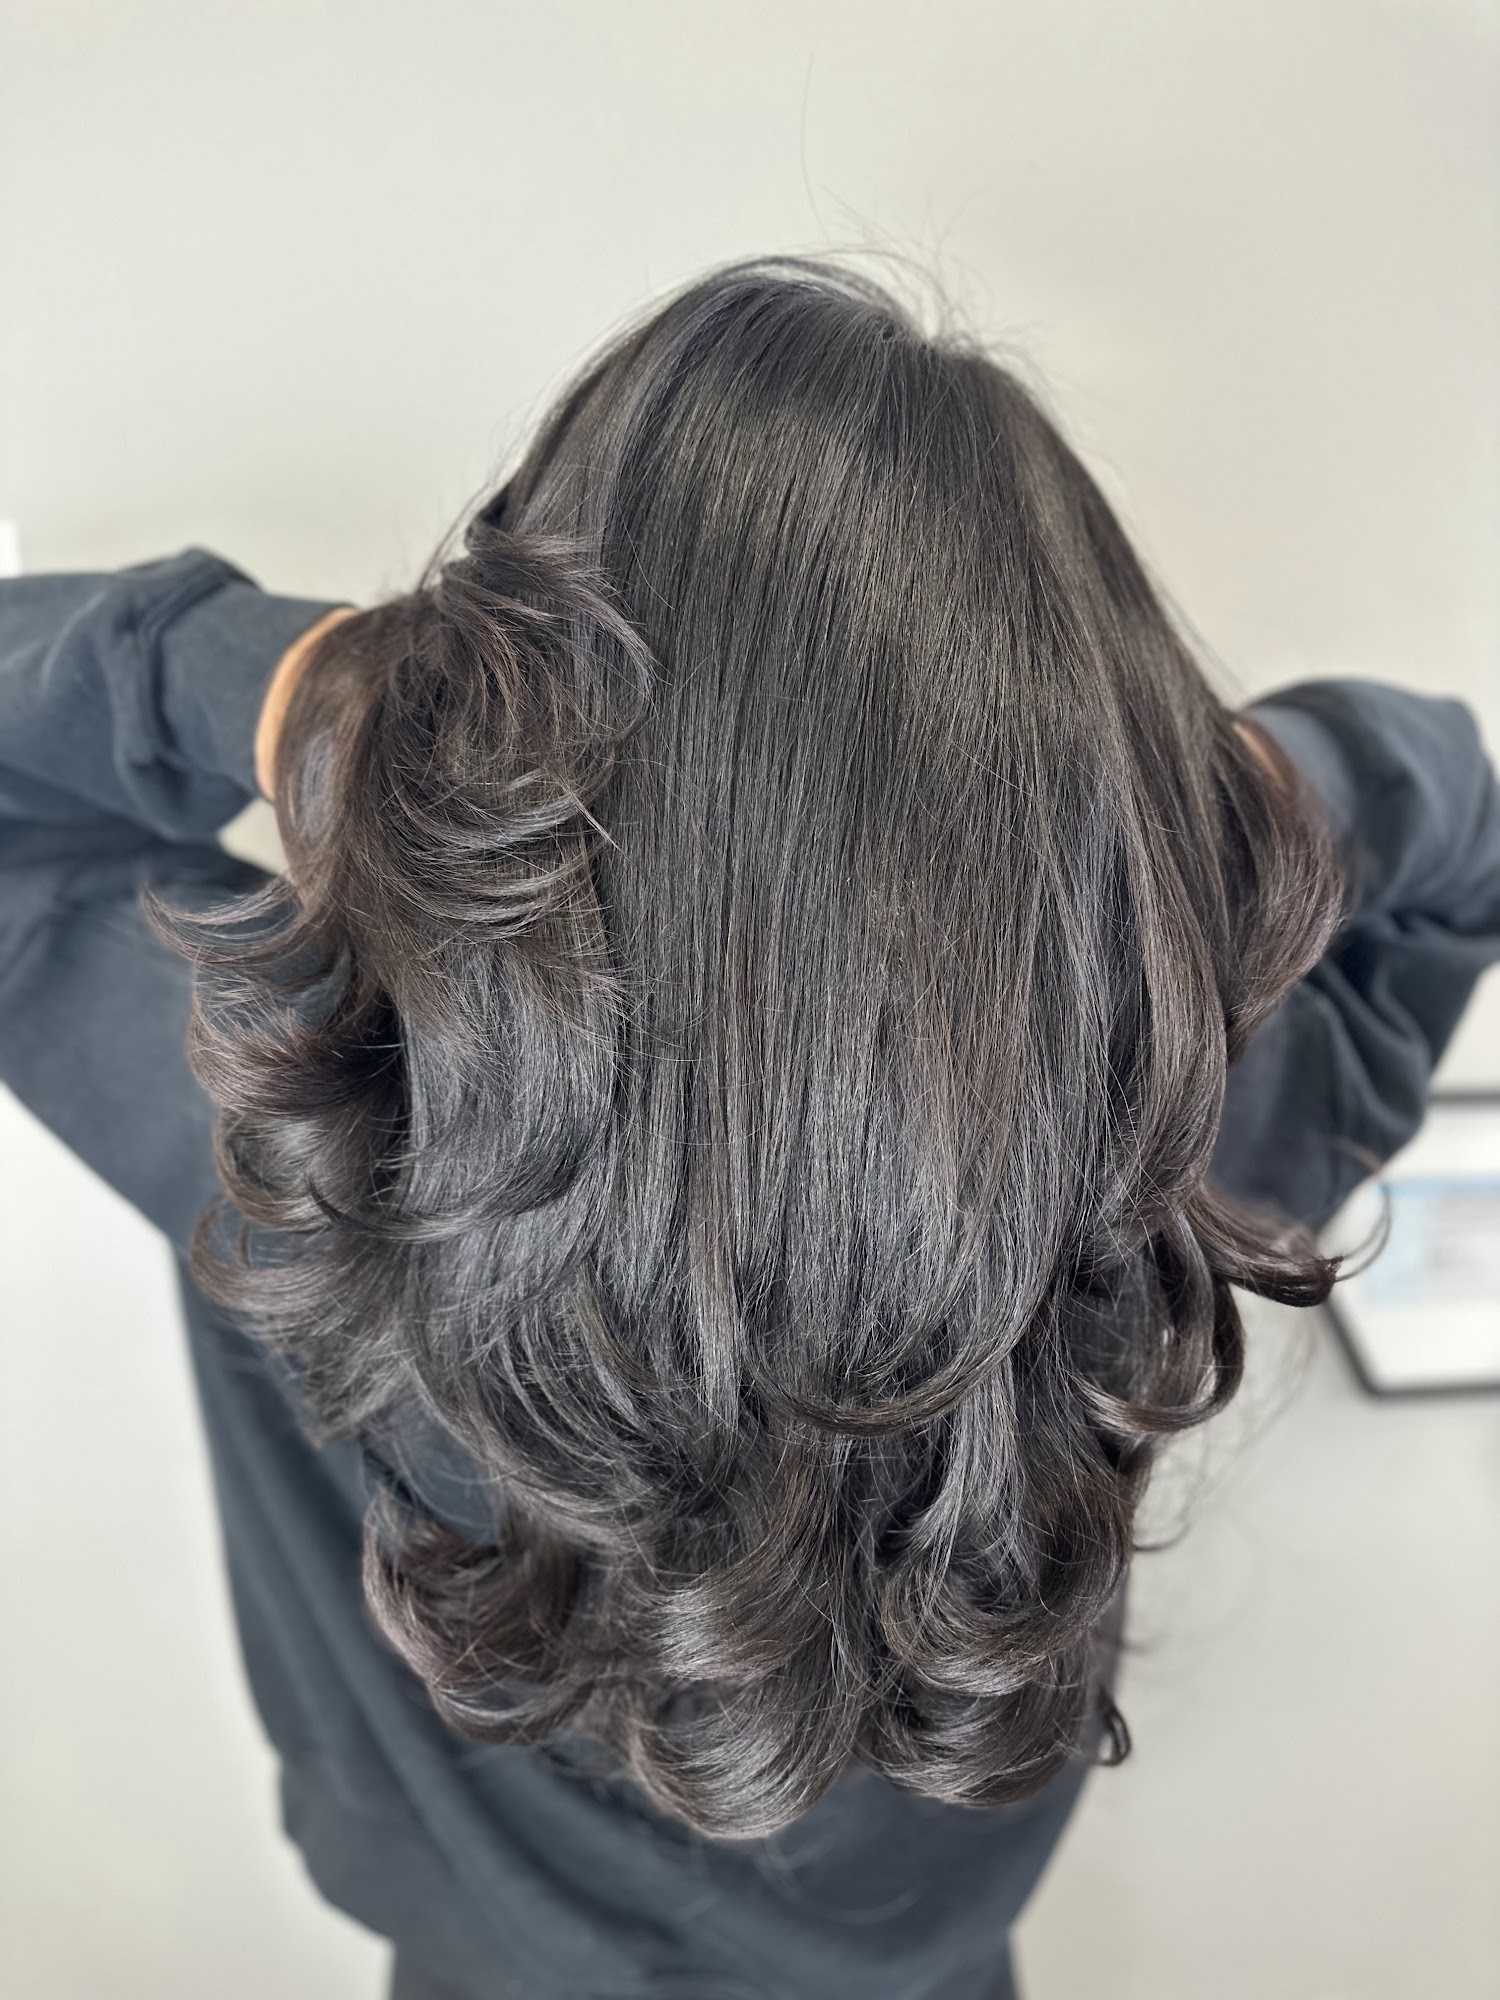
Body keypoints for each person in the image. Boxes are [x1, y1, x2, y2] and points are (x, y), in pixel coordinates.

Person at [2, 254, 1497, 2000]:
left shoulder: (302, 1119)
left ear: (495, 699)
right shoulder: (1171, 1153)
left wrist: (326, 696)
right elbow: (1453, 818)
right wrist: (1218, 803)